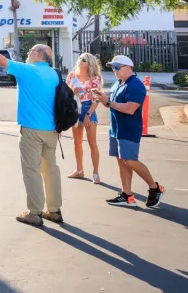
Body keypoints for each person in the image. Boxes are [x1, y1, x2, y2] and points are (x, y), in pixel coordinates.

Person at [0, 38, 63, 227]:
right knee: (51, 170)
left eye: (30, 50)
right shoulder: (54, 73)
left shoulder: (29, 70)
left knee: (31, 170)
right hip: (52, 129)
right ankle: (54, 209)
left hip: (32, 129)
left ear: (37, 54)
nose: (27, 54)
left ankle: (34, 212)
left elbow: (1, 60)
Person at [91, 55, 165, 208]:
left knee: (130, 160)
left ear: (128, 67)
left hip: (129, 129)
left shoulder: (136, 85)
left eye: (117, 67)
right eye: (113, 67)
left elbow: (131, 109)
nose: (114, 70)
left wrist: (108, 102)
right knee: (121, 160)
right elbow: (111, 104)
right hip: (116, 128)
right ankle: (127, 195)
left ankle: (155, 187)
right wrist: (104, 98)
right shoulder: (118, 83)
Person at [66, 53, 103, 183]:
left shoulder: (94, 78)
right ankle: (79, 170)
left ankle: (96, 173)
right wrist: (72, 91)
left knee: (92, 142)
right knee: (77, 142)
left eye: (84, 60)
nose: (80, 61)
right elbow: (66, 93)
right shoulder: (72, 75)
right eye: (79, 59)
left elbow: (96, 99)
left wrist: (88, 114)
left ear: (89, 63)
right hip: (75, 107)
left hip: (88, 108)